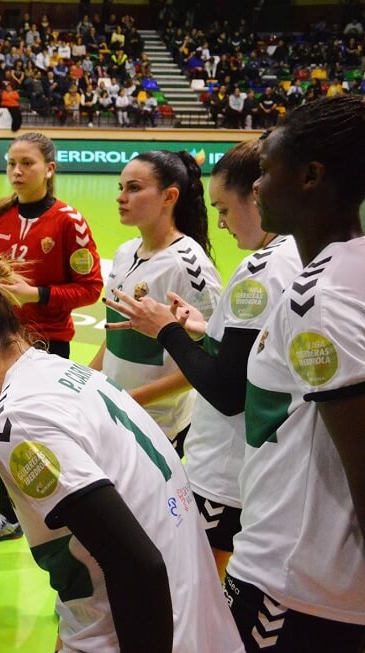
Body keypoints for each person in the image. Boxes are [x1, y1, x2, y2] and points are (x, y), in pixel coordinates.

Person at [0, 252, 244, 653]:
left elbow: (137, 566)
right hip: (195, 621)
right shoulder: (65, 374)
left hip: (142, 634)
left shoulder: (15, 419)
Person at [101, 140, 303, 580]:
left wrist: (168, 331)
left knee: (196, 581)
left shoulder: (252, 268)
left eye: (226, 209)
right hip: (229, 459)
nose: (223, 223)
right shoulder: (294, 259)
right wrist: (202, 330)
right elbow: (245, 347)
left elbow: (223, 384)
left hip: (208, 456)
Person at [227, 96, 365, 651]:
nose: (256, 185)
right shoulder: (349, 274)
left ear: (310, 176)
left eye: (265, 169)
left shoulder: (319, 299)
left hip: (296, 588)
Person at [0, 132, 103, 545]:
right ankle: (9, 515)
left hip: (48, 345)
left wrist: (37, 295)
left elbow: (90, 287)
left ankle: (64, 511)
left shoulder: (69, 221)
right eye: (11, 162)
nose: (16, 171)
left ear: (49, 169)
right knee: (2, 428)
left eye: (26, 163)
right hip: (0, 342)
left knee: (49, 432)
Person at [90, 150, 222, 456]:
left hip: (157, 426)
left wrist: (130, 398)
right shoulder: (125, 251)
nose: (121, 197)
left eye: (134, 188)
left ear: (169, 196)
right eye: (120, 188)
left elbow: (208, 360)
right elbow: (115, 336)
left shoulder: (189, 266)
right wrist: (89, 381)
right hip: (114, 412)